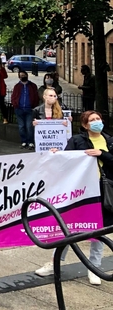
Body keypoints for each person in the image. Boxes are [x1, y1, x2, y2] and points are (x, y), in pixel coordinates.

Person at [35, 110, 111, 285]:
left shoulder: (110, 141)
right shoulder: (77, 141)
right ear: (85, 125)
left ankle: (95, 267)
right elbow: (66, 160)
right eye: (92, 120)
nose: (97, 122)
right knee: (70, 228)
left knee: (100, 230)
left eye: (98, 118)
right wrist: (56, 153)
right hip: (82, 193)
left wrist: (102, 154)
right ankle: (54, 263)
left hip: (104, 193)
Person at [12, 71, 39, 150]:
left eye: (24, 75)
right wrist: (15, 104)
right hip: (19, 109)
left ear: (27, 75)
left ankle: (30, 142)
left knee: (29, 126)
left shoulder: (32, 85)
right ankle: (24, 141)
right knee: (21, 126)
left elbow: (36, 96)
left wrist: (33, 105)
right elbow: (13, 96)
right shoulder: (17, 86)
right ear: (19, 77)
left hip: (29, 109)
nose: (22, 76)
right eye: (21, 76)